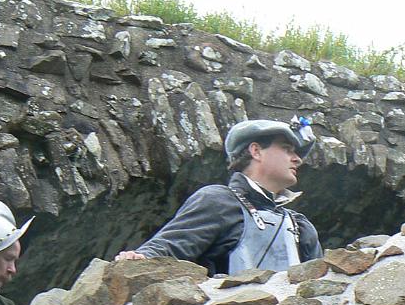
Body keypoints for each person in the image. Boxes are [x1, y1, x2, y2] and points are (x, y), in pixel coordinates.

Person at [115, 116, 323, 275]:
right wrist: (141, 257)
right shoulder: (219, 201)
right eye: (287, 149)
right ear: (256, 151)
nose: (298, 160)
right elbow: (170, 246)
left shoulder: (300, 226)